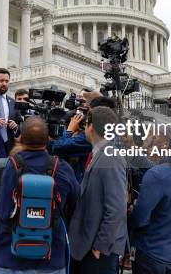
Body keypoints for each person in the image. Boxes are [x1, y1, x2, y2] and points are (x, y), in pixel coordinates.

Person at [0, 117, 80, 274]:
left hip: (8, 256)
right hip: (52, 257)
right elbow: (74, 203)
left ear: (20, 138)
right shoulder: (63, 169)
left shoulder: (0, 167)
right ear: (48, 140)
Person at [68, 106, 127, 274]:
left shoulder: (110, 157)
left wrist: (100, 246)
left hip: (99, 253)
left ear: (90, 126)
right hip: (88, 247)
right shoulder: (101, 153)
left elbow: (116, 208)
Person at [129, 130, 171, 274]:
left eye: (154, 138)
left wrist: (132, 210)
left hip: (150, 253)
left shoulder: (156, 174)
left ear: (166, 144)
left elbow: (140, 219)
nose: (151, 141)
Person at [0, 68, 19, 157]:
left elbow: (19, 124)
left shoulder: (13, 102)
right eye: (1, 80)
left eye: (7, 81)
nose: (4, 84)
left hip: (9, 147)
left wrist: (15, 127)